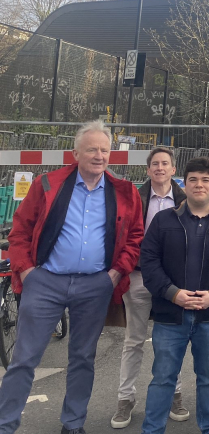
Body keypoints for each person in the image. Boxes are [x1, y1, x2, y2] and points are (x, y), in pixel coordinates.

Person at [0, 120, 144, 434]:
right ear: (76, 153)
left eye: (104, 150)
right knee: (24, 359)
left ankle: (73, 424)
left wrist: (114, 274)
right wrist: (27, 272)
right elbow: (20, 231)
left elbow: (135, 237)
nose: (99, 155)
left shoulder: (124, 191)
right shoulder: (48, 184)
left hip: (95, 285)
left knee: (82, 359)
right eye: (92, 149)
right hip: (45, 282)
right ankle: (5, 424)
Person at [139, 157, 209, 434]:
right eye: (193, 180)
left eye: (205, 180)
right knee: (163, 378)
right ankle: (152, 430)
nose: (199, 185)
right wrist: (172, 293)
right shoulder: (163, 221)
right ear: (184, 184)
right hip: (170, 314)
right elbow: (149, 261)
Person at [112, 147, 189, 429]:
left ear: (172, 170)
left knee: (171, 341)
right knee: (134, 340)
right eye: (154, 164)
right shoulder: (135, 198)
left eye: (164, 163)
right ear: (147, 170)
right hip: (139, 277)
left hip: (173, 281)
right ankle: (125, 399)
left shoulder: (185, 199)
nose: (159, 168)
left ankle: (175, 395)